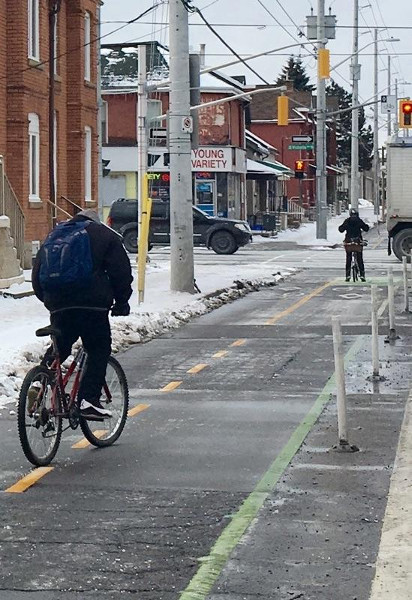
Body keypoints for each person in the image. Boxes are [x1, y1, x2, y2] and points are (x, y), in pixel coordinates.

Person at [32, 209, 133, 420]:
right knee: (98, 348)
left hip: (58, 303)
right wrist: (122, 302)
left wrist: (51, 301)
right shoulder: (105, 236)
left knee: (62, 345)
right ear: (95, 221)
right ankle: (89, 400)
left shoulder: (55, 236)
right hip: (92, 305)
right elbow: (121, 272)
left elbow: (37, 274)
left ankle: (38, 381)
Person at [338, 208, 369, 282]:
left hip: (349, 241)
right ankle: (362, 274)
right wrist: (366, 226)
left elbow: (341, 229)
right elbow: (366, 228)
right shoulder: (359, 221)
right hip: (357, 241)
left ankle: (348, 275)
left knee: (348, 258)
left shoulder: (347, 221)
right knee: (359, 258)